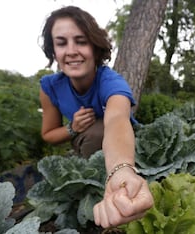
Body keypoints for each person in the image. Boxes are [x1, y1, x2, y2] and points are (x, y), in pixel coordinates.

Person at [38, 6, 153, 228]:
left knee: (99, 130)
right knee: (91, 134)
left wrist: (121, 169)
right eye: (61, 43)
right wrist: (72, 127)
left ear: (95, 46)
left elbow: (117, 120)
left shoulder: (112, 82)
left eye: (81, 41)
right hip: (87, 145)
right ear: (54, 51)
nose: (71, 51)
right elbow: (49, 134)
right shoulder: (49, 87)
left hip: (125, 146)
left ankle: (114, 191)